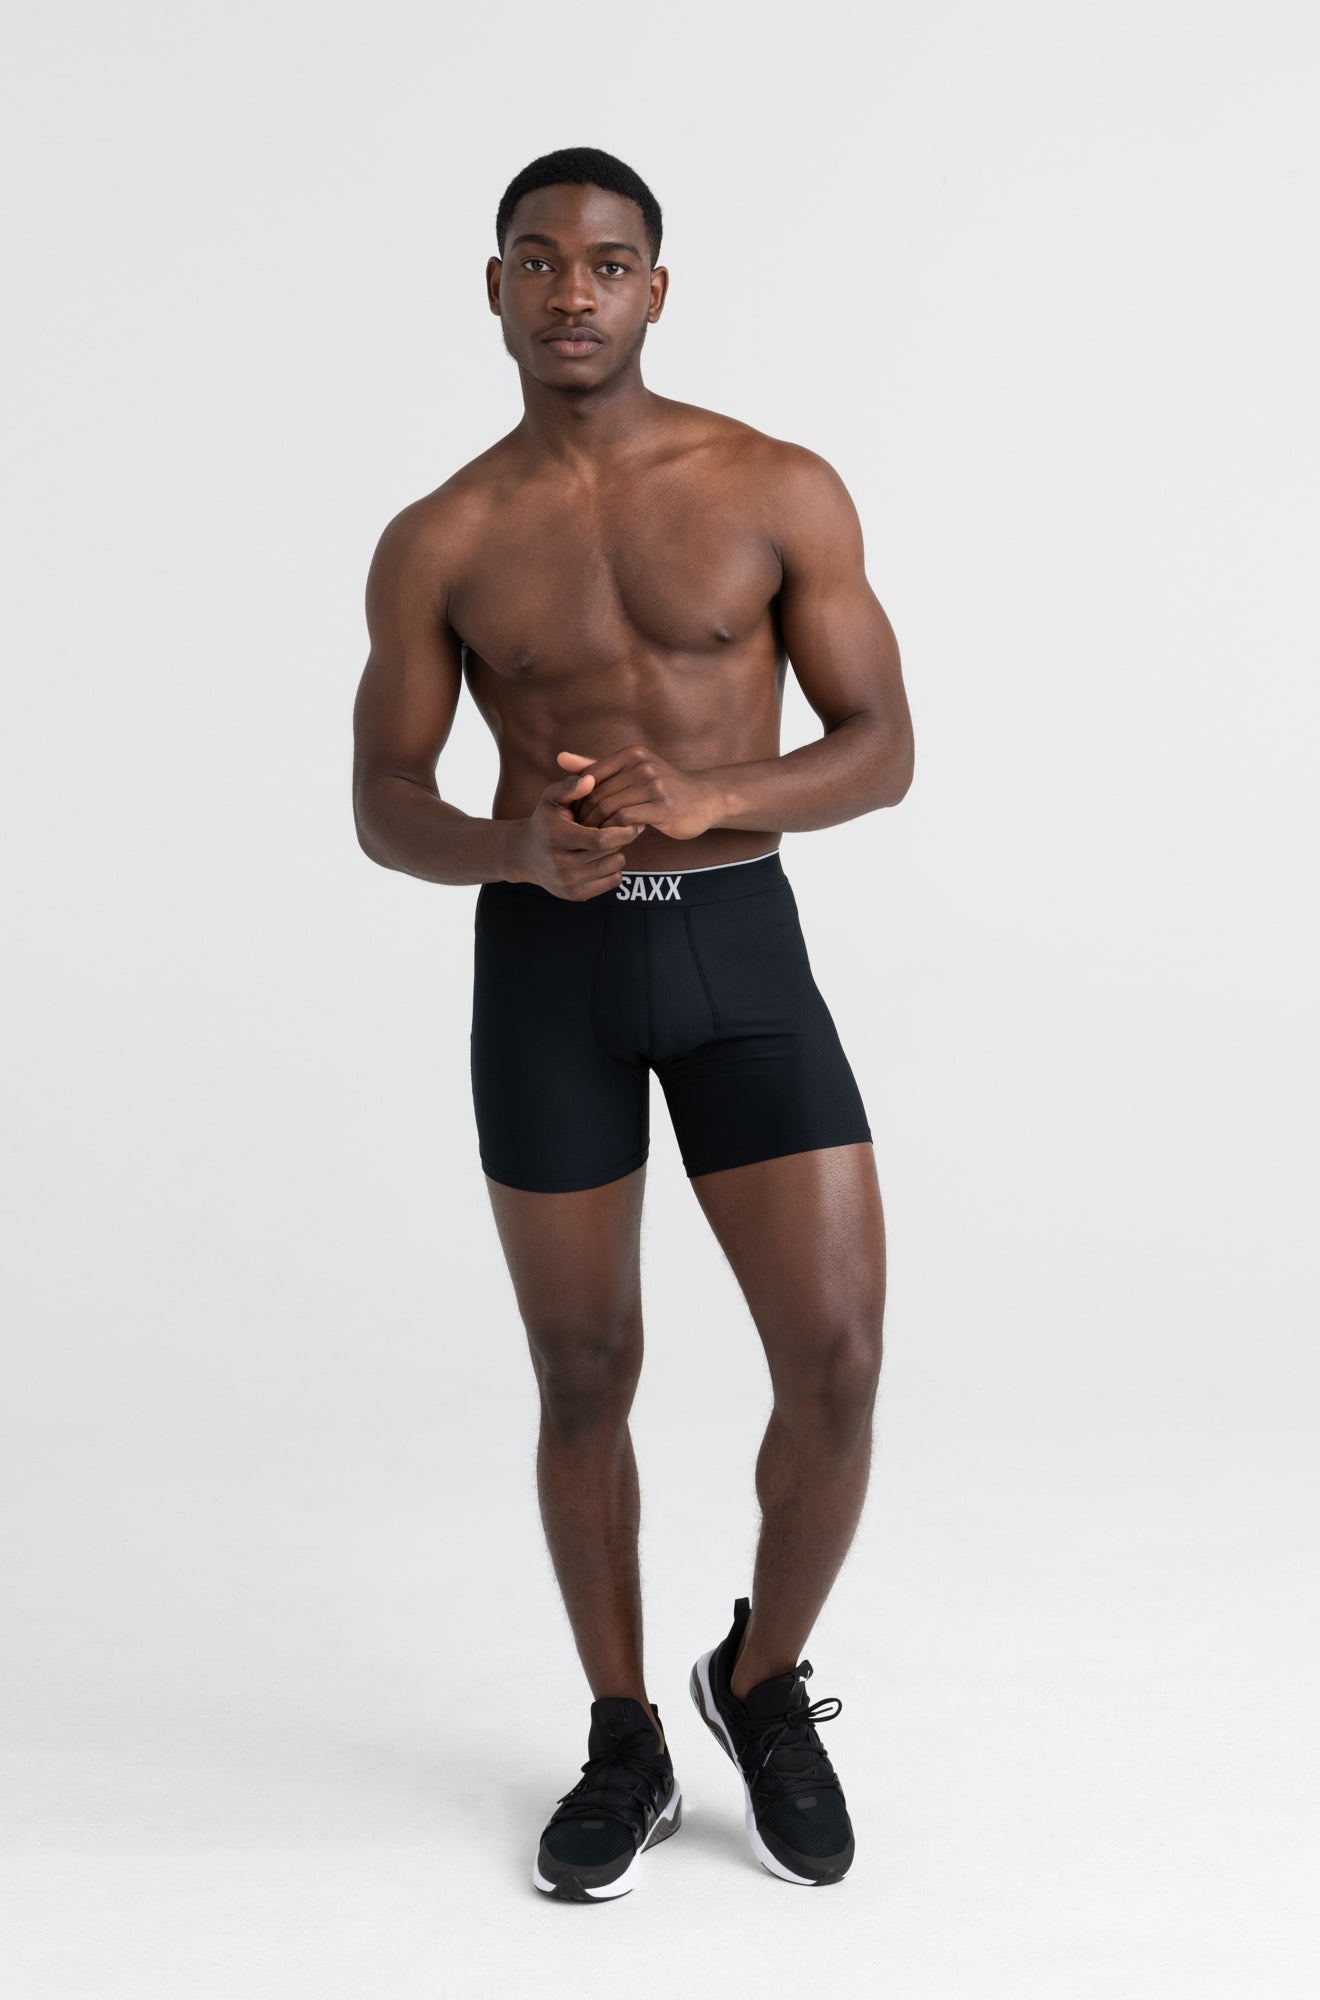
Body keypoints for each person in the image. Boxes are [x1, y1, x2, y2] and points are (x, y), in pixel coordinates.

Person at [351, 146, 914, 1902]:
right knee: (584, 1372)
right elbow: (383, 800)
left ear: (656, 289)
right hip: (549, 971)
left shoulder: (775, 487)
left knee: (836, 1362)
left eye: (606, 263)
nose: (572, 291)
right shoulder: (441, 537)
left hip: (738, 950)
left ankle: (758, 1682)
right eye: (539, 261)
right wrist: (510, 845)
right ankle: (623, 1737)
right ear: (496, 288)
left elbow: (883, 746)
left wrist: (711, 790)